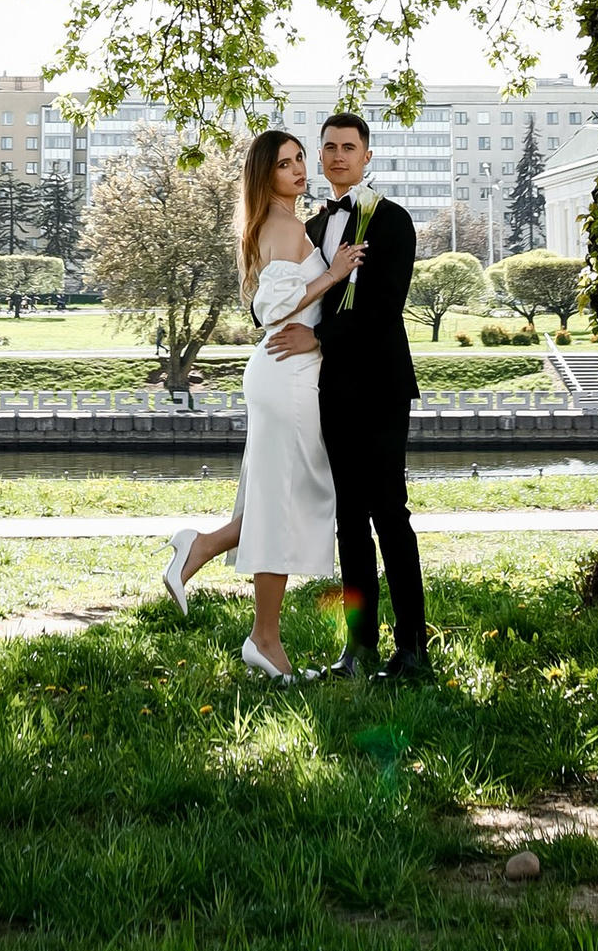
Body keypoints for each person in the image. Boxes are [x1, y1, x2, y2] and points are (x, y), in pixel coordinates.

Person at [160, 130, 357, 679]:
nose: (299, 170)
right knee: (286, 502)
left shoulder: (278, 223)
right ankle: (263, 637)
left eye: (300, 160)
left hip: (287, 372)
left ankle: (206, 555)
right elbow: (272, 308)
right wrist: (334, 274)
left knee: (281, 498)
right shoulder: (283, 225)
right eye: (285, 164)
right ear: (264, 175)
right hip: (287, 373)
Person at [306, 109, 429, 681]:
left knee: (390, 516)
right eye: (328, 146)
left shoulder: (393, 221)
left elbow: (383, 311)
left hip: (380, 388)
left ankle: (412, 649)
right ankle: (358, 650)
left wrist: (316, 336)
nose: (337, 156)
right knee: (348, 521)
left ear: (367, 156)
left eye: (348, 147)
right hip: (330, 391)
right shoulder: (312, 229)